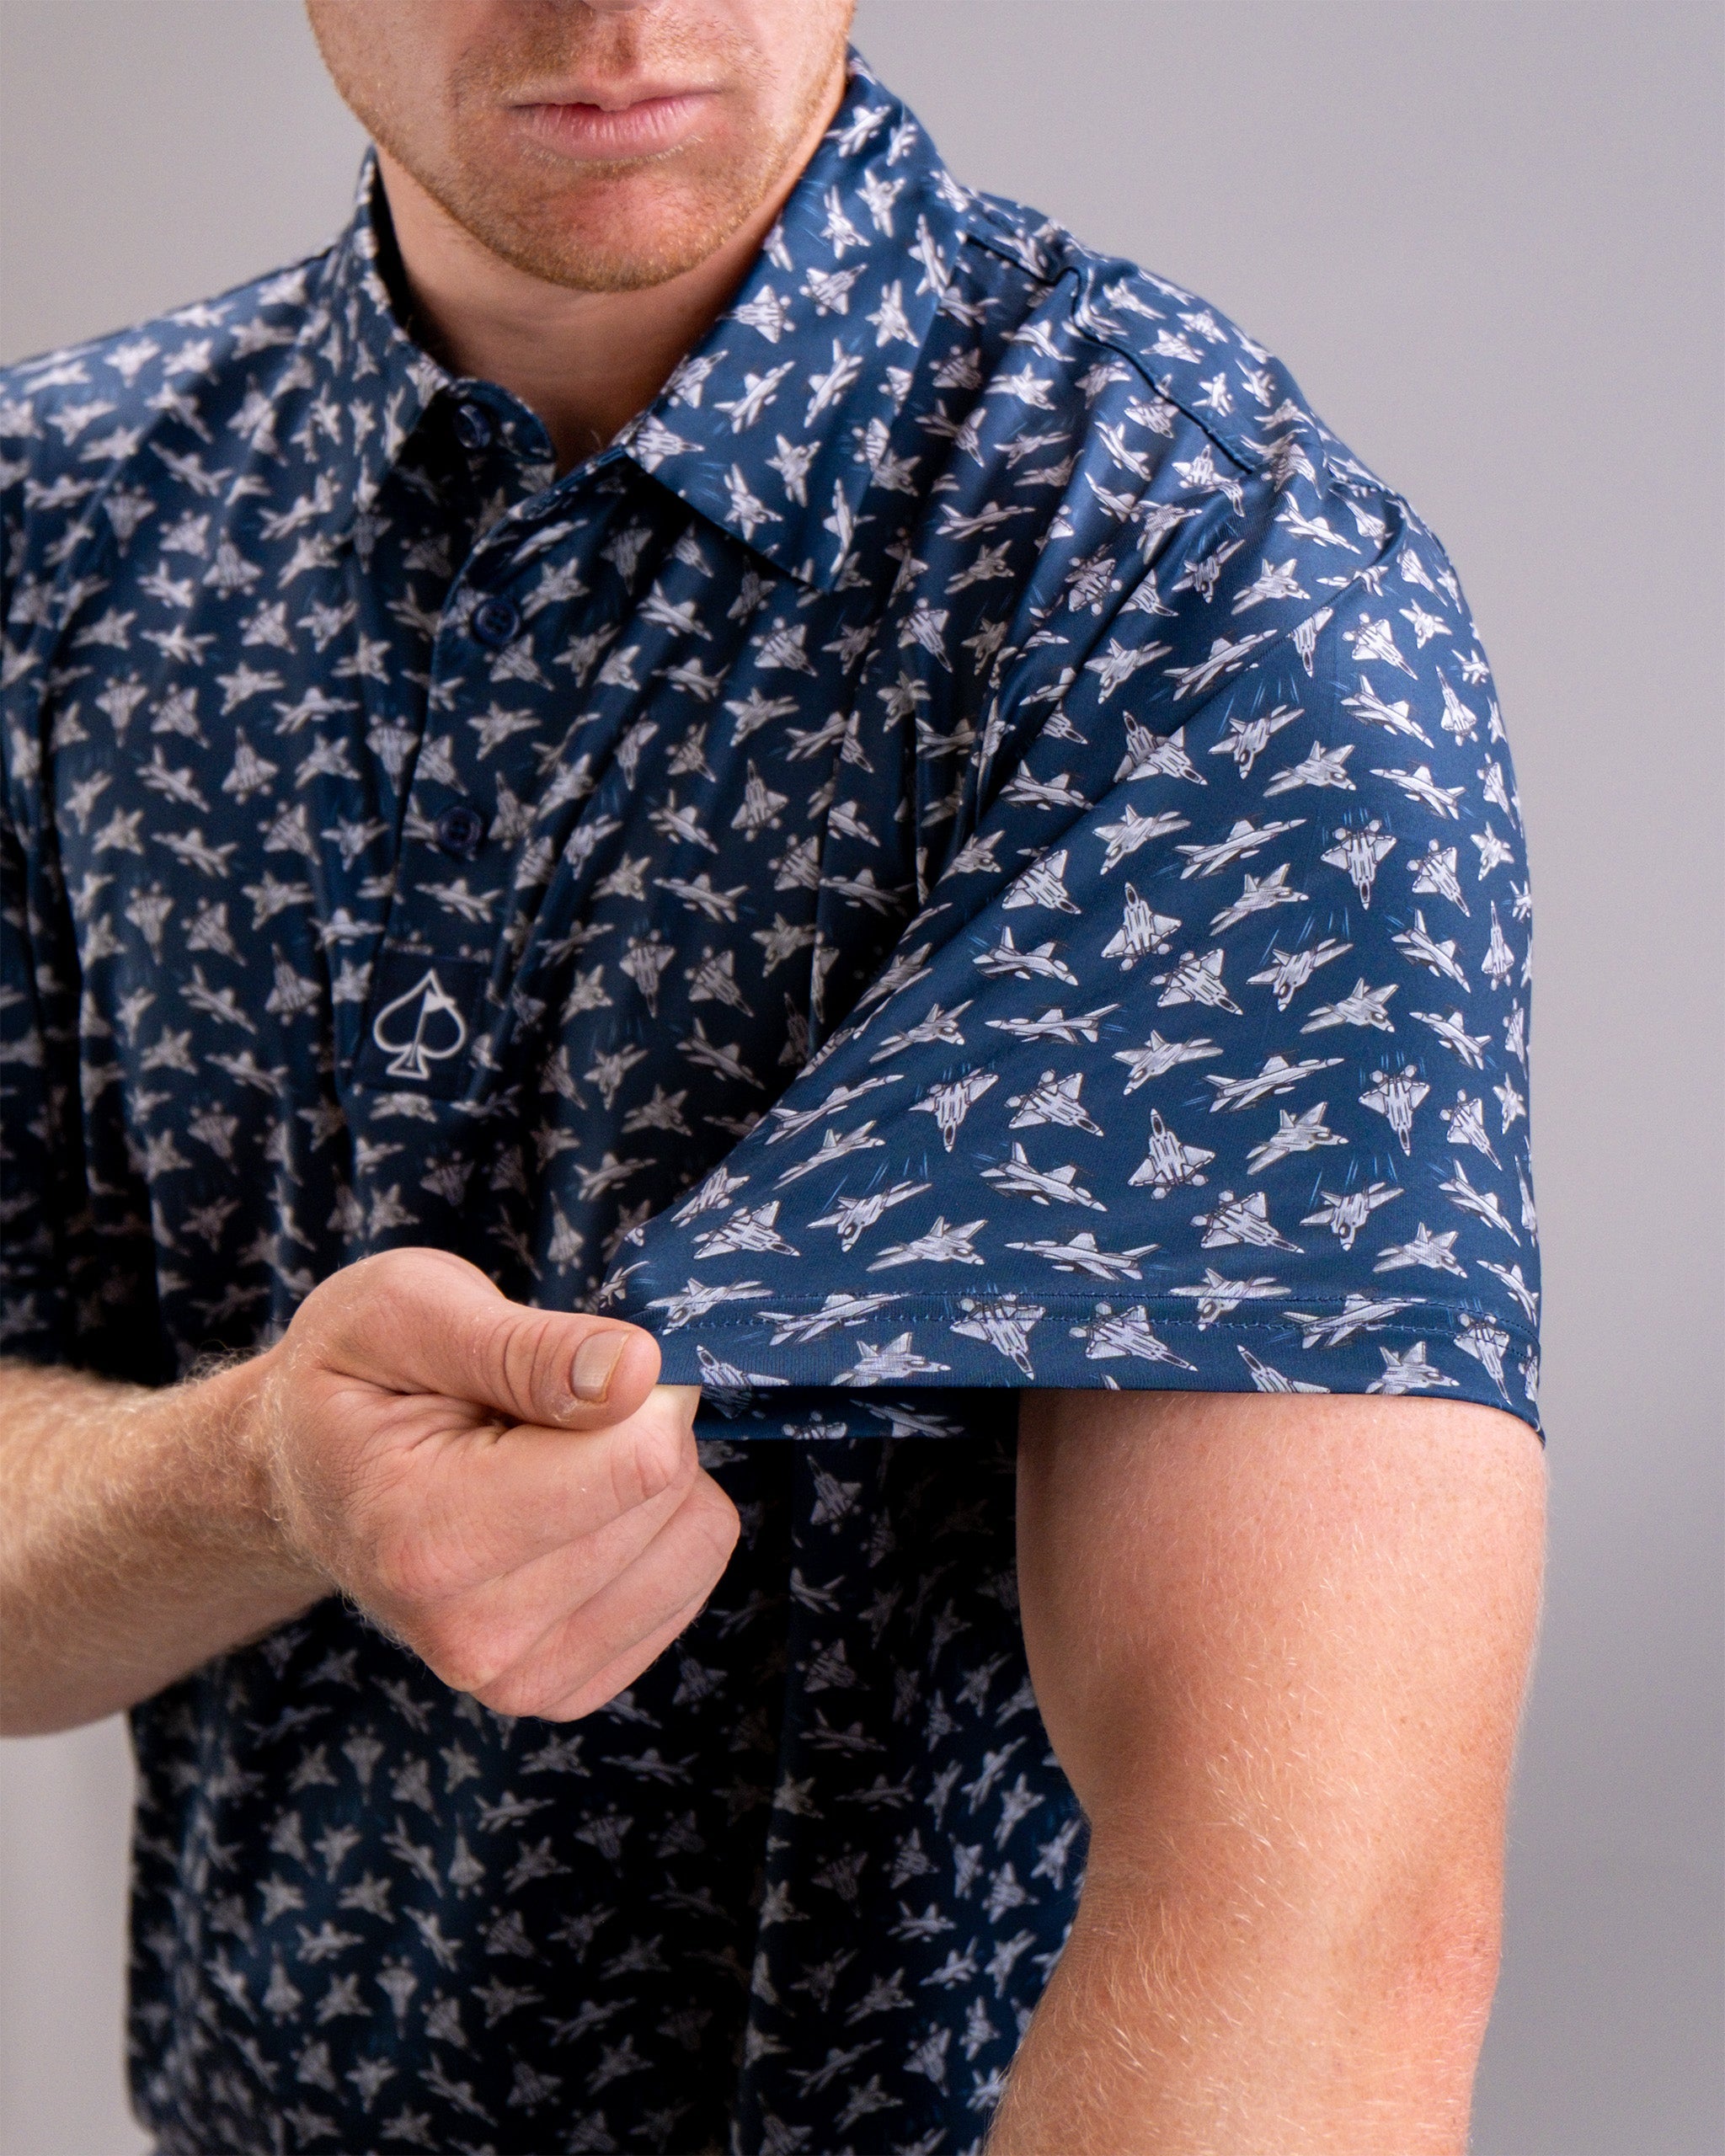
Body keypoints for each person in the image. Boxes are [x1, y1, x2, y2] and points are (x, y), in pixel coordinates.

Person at [0, 3, 1547, 2149]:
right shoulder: (57, 533)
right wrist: (259, 1473)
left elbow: (1307, 1914)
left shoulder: (1194, 584)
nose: (615, 10)